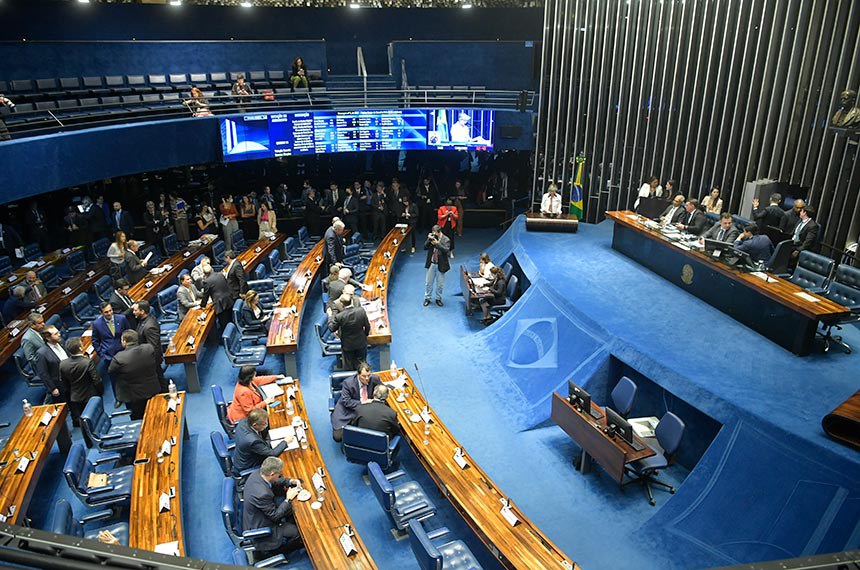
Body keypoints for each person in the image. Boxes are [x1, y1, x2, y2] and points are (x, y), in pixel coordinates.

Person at [242, 457, 302, 560]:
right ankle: (277, 552)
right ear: (272, 474)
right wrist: (288, 499)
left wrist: (289, 481)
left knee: (290, 510)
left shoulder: (258, 474)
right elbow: (275, 516)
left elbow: (274, 482)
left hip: (257, 515)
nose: (280, 475)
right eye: (279, 474)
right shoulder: (262, 494)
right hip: (262, 526)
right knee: (298, 534)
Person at [108, 330, 162, 420]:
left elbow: (111, 371)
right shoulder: (149, 348)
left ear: (124, 342)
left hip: (134, 396)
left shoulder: (118, 358)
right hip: (153, 389)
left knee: (138, 418)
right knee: (155, 415)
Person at [330, 362, 382, 442]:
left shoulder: (374, 378)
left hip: (367, 411)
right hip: (349, 411)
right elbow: (346, 402)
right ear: (358, 375)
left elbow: (382, 389)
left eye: (369, 375)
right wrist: (362, 403)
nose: (367, 379)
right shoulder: (348, 383)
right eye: (364, 376)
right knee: (338, 437)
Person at [59, 337, 103, 427]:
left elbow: (64, 383)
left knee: (83, 418)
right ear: (80, 348)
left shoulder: (63, 364)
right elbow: (96, 380)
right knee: (97, 417)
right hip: (91, 394)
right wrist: (101, 392)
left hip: (76, 396)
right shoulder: (87, 362)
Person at [232, 408, 289, 474]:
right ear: (255, 425)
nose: (266, 425)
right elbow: (272, 454)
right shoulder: (253, 441)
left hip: (241, 456)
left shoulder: (243, 421)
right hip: (248, 465)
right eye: (264, 424)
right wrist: (285, 442)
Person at [133, 300, 167, 391]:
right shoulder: (143, 320)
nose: (133, 312)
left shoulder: (149, 326)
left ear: (142, 312)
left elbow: (153, 347)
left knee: (159, 380)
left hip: (152, 361)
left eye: (135, 310)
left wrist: (149, 363)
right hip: (147, 358)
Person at [328, 298, 370, 372]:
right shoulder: (361, 311)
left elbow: (332, 328)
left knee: (349, 366)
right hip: (361, 342)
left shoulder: (340, 316)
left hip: (347, 345)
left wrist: (330, 316)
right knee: (362, 363)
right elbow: (367, 326)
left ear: (342, 304)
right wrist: (365, 336)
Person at [92, 301, 132, 369]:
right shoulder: (96, 324)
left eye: (110, 310)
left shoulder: (122, 318)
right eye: (106, 312)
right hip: (109, 356)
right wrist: (102, 354)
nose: (109, 313)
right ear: (101, 313)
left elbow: (129, 332)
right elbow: (95, 341)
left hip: (124, 351)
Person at [34, 325, 68, 403]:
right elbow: (43, 373)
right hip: (60, 384)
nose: (59, 334)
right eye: (55, 334)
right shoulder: (42, 353)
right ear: (48, 338)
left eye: (58, 332)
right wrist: (52, 388)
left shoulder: (61, 342)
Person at [200, 264, 233, 332]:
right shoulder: (220, 274)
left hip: (220, 303)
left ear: (204, 273)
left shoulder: (207, 281)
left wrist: (202, 305)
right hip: (229, 299)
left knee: (224, 323)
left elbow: (205, 295)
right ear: (212, 269)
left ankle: (225, 337)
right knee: (230, 318)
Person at [424, 225, 451, 307]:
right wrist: (429, 239)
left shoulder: (446, 239)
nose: (434, 235)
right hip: (431, 263)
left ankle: (438, 298)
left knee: (440, 284)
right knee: (428, 283)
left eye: (435, 233)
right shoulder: (432, 238)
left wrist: (437, 244)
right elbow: (425, 247)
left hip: (441, 264)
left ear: (439, 233)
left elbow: (446, 250)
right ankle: (427, 298)